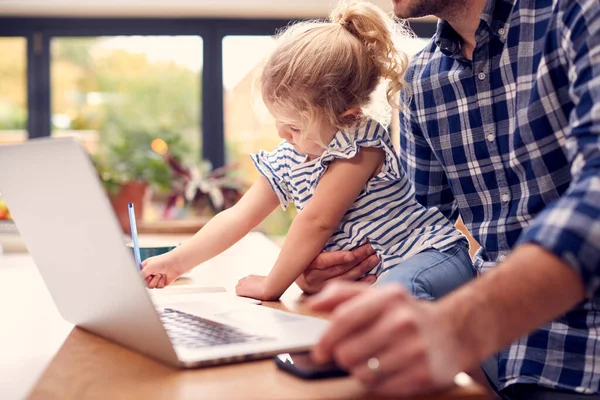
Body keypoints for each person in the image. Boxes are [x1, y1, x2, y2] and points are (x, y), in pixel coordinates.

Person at [301, 0, 600, 399]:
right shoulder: (419, 83)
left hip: (582, 355)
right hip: (489, 360)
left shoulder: (578, 13)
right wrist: (334, 263)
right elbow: (413, 228)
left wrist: (460, 326)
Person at [140, 1, 475, 302]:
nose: (282, 134)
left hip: (434, 256)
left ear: (348, 116)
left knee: (394, 299)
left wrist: (273, 284)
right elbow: (237, 216)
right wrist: (174, 261)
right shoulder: (290, 158)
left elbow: (317, 221)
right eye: (278, 121)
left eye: (295, 127)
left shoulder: (361, 146)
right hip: (379, 277)